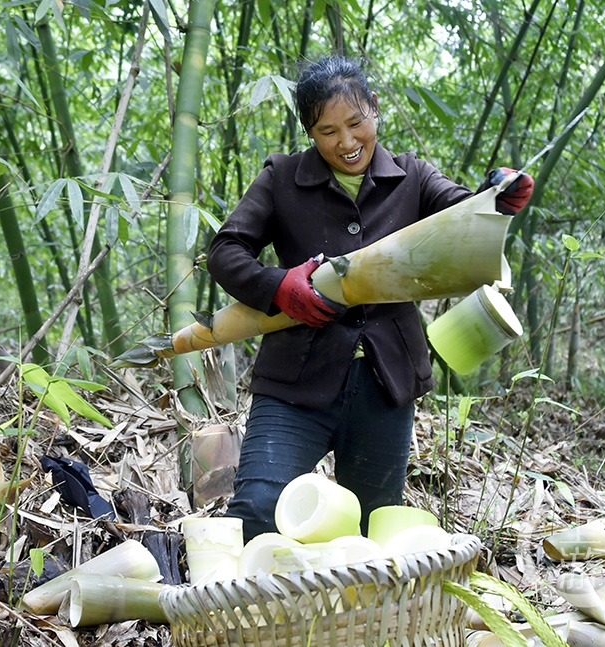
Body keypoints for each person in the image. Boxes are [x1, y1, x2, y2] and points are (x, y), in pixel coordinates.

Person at [205, 55, 533, 542]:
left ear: (375, 108)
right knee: (258, 509)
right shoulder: (281, 177)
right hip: (296, 381)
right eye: (328, 131)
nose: (347, 142)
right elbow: (226, 250)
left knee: (372, 529)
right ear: (309, 132)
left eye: (356, 123)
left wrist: (495, 199)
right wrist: (279, 286)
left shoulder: (413, 177)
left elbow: (462, 212)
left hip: (384, 384)